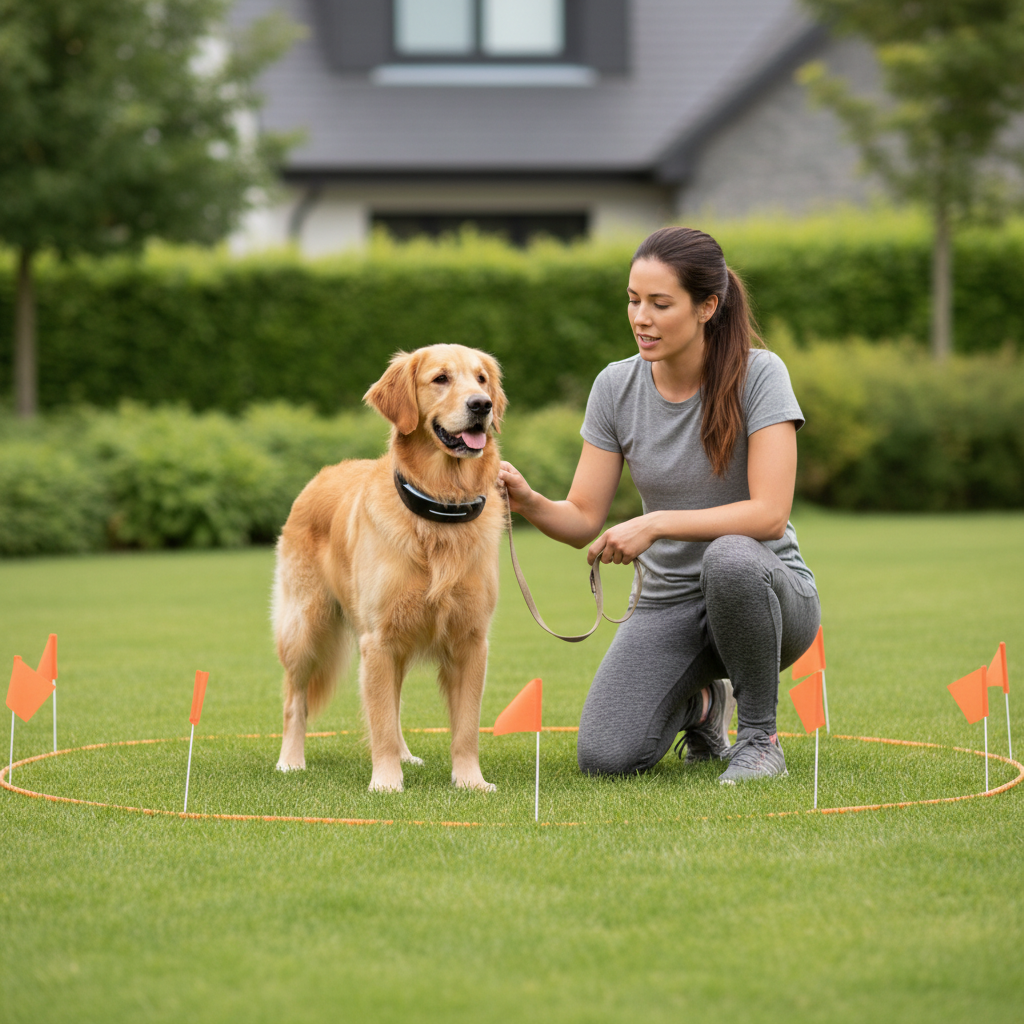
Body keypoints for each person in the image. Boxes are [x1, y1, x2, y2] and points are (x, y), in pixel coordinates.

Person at [498, 226, 821, 784]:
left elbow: (769, 513)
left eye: (659, 303)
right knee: (606, 757)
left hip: (769, 598)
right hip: (668, 606)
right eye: (632, 300)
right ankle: (703, 707)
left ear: (707, 307)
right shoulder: (615, 387)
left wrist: (656, 523)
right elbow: (581, 520)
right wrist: (528, 501)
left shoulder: (760, 374)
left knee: (731, 557)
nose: (640, 317)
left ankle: (760, 739)